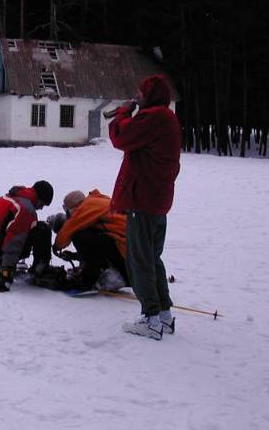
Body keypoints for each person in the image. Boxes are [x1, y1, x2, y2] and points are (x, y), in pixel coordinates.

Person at [109, 74, 181, 340]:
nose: (136, 95)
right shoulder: (166, 118)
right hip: (156, 200)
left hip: (144, 200)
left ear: (150, 95)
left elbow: (120, 136)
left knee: (139, 259)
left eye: (140, 92)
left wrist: (122, 114)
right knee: (152, 257)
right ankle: (164, 315)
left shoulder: (154, 117)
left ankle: (150, 318)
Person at [0, 181, 54, 292]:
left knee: (31, 228)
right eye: (43, 204)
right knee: (42, 229)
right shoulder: (25, 208)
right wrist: (6, 274)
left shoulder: (14, 196)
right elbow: (14, 242)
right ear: (39, 198)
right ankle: (39, 269)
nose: (41, 208)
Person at [51, 189, 129, 291]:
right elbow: (96, 246)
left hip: (124, 247)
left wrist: (56, 247)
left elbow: (69, 228)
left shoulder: (86, 207)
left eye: (68, 210)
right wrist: (76, 256)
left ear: (74, 207)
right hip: (129, 249)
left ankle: (87, 279)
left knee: (79, 236)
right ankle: (106, 273)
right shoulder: (96, 201)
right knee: (91, 236)